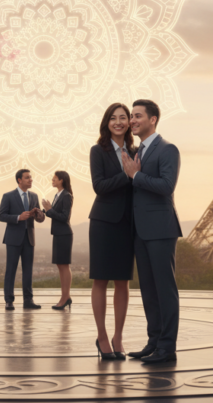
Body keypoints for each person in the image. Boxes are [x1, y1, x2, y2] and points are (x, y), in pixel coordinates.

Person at [122, 99, 182, 365]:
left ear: (153, 119)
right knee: (148, 288)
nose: (132, 120)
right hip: (141, 230)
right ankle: (154, 341)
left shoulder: (168, 149)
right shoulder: (138, 151)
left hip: (160, 229)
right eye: (131, 116)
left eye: (137, 116)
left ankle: (167, 347)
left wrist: (136, 176)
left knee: (164, 289)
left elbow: (167, 185)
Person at [88, 103, 136, 360]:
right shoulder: (98, 151)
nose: (118, 122)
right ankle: (103, 337)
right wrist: (128, 176)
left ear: (129, 122)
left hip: (128, 223)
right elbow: (99, 186)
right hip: (104, 222)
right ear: (107, 122)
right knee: (101, 280)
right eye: (113, 118)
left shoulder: (137, 150)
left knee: (123, 282)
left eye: (123, 118)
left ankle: (118, 337)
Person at [0, 169, 45, 310]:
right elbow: (1, 215)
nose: (30, 180)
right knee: (11, 270)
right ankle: (9, 301)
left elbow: (40, 219)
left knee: (28, 270)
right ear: (19, 180)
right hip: (13, 238)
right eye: (27, 178)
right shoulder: (8, 196)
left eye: (31, 177)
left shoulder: (34, 196)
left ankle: (28, 301)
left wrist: (39, 215)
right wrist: (19, 217)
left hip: (29, 238)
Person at [43, 170, 74, 310]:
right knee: (60, 265)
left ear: (62, 180)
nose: (52, 180)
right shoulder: (58, 195)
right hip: (58, 234)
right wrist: (44, 211)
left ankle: (65, 297)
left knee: (64, 265)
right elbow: (55, 214)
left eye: (55, 178)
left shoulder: (67, 195)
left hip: (64, 234)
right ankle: (65, 296)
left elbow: (64, 217)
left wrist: (49, 210)